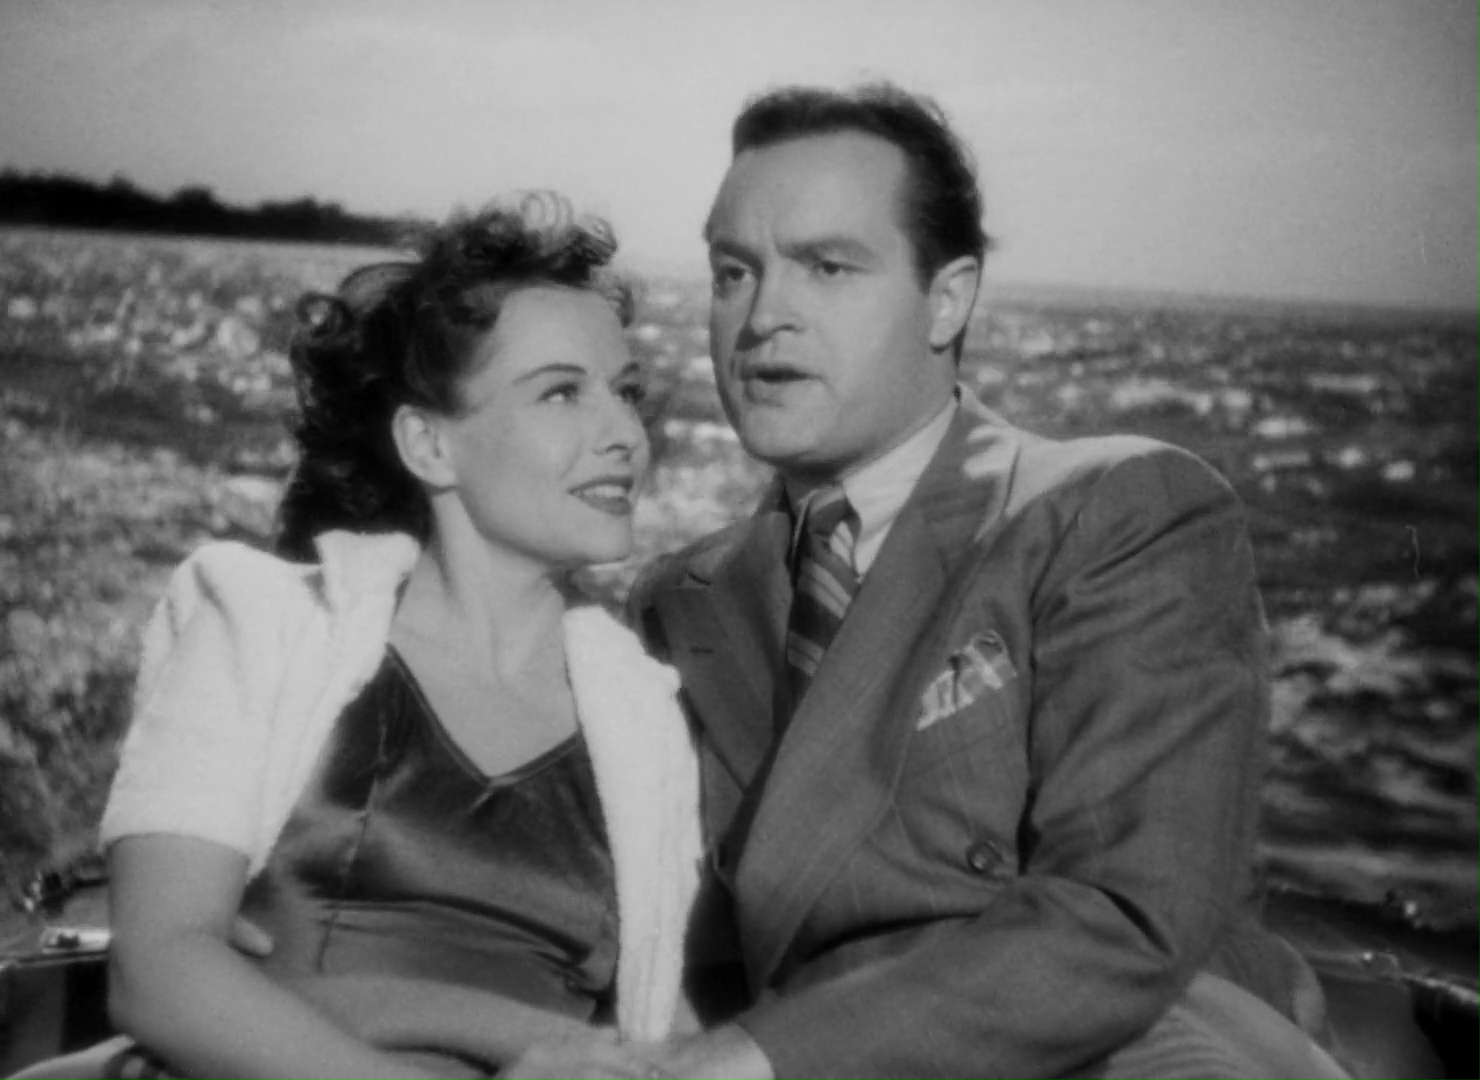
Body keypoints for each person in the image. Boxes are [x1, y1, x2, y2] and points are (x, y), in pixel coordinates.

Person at [625, 84, 1355, 1079]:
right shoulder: (679, 600)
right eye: (732, 272)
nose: (763, 317)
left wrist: (755, 1060)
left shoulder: (1115, 510)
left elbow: (1126, 914)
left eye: (828, 267)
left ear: (949, 297)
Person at [15, 195, 702, 1080]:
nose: (625, 436)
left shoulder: (645, 723)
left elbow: (647, 1031)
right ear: (428, 443)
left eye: (628, 393)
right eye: (562, 392)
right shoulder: (265, 624)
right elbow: (160, 979)